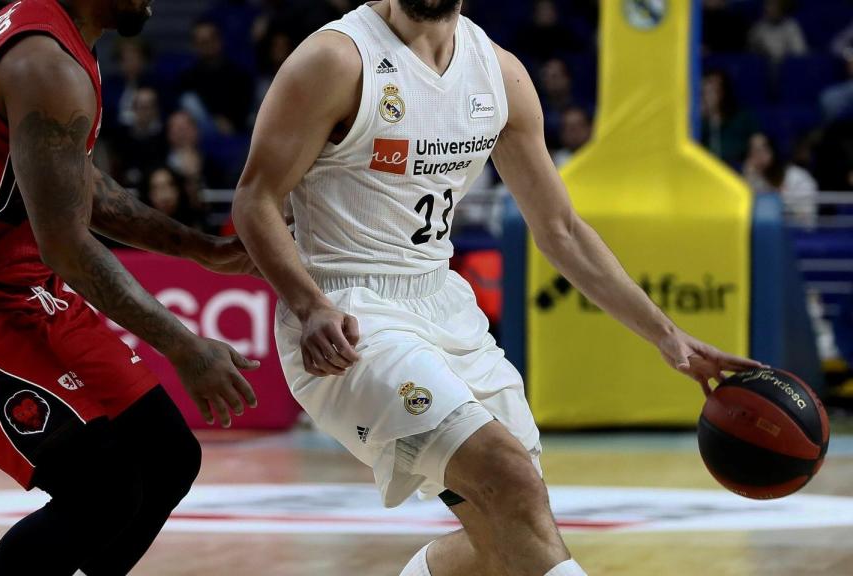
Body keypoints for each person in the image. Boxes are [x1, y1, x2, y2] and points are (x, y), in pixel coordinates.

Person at [232, 1, 762, 575]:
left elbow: (560, 230)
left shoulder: (500, 74)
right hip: (349, 312)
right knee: (509, 478)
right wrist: (309, 304)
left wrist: (666, 335)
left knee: (509, 531)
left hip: (440, 301)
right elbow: (255, 199)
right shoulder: (336, 59)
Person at [0, 1, 261, 574]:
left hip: (24, 287)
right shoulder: (43, 63)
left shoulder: (65, 40)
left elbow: (82, 185)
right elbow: (69, 246)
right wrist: (185, 346)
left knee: (167, 458)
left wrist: (201, 248)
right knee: (102, 490)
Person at [743, 132, 819, 228]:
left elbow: (808, 220)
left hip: (796, 232)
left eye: (761, 150)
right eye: (752, 151)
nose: (756, 156)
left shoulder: (799, 178)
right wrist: (749, 177)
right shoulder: (751, 177)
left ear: (774, 151)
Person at [700, 69, 759, 168]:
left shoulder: (743, 117)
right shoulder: (696, 122)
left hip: (738, 169)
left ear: (723, 91)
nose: (709, 95)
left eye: (714, 89)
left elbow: (759, 146)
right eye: (705, 91)